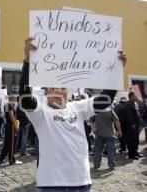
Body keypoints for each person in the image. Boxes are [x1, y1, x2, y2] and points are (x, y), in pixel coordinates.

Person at [19, 38, 127, 192]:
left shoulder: (79, 107)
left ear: (68, 91)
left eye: (62, 87)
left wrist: (116, 70)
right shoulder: (40, 113)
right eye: (52, 88)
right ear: (46, 92)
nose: (57, 90)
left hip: (82, 183)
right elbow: (25, 100)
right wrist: (28, 62)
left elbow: (106, 99)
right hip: (51, 185)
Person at [0, 95, 22, 165]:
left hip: (9, 125)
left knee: (7, 143)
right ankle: (12, 160)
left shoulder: (7, 105)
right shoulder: (9, 105)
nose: (16, 100)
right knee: (12, 143)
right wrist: (16, 126)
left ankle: (1, 158)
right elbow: (11, 116)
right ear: (13, 99)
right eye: (16, 99)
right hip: (11, 126)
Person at [124, 92, 143, 159]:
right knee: (132, 140)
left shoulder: (133, 103)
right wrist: (132, 124)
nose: (137, 97)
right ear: (131, 96)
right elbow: (129, 116)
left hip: (136, 125)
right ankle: (131, 155)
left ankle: (135, 152)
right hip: (131, 126)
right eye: (135, 96)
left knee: (136, 140)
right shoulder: (128, 104)